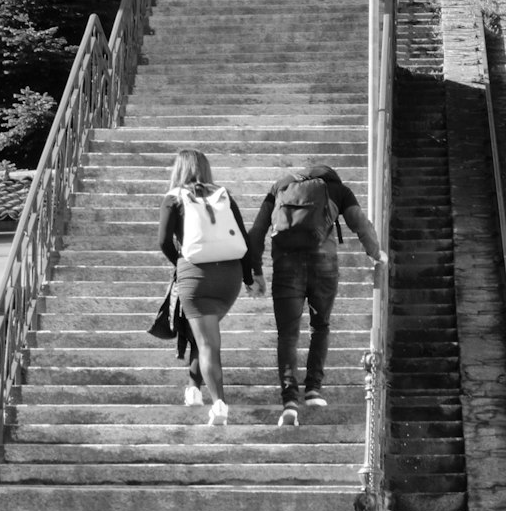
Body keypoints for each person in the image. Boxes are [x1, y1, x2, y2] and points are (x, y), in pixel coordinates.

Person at [248, 163, 386, 427]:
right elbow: (360, 223)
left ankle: (289, 400)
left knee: (287, 335)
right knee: (320, 325)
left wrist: (255, 272)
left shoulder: (280, 187)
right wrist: (376, 253)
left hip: (286, 264)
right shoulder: (337, 189)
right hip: (324, 265)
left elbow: (256, 233)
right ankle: (313, 390)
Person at [158, 148, 255, 426]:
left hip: (196, 275)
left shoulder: (173, 197)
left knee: (207, 342)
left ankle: (220, 404)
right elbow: (243, 238)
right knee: (204, 333)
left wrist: (180, 264)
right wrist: (250, 277)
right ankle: (193, 388)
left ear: (178, 169)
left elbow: (164, 241)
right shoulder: (222, 194)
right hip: (229, 278)